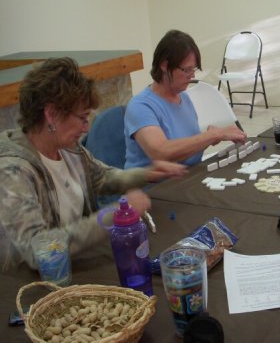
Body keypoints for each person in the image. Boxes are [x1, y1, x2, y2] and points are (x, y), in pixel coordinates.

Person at [0, 57, 188, 270]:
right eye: (82, 118)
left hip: (75, 265)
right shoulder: (11, 172)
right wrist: (116, 215)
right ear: (51, 114)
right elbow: (38, 250)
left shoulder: (67, 147)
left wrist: (147, 174)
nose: (86, 128)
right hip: (36, 285)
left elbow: (101, 177)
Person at [124, 30, 247, 169]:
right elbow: (161, 152)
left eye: (193, 69)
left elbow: (184, 145)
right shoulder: (140, 106)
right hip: (156, 186)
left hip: (187, 177)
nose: (192, 75)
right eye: (186, 70)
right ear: (164, 65)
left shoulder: (184, 97)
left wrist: (209, 137)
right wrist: (212, 136)